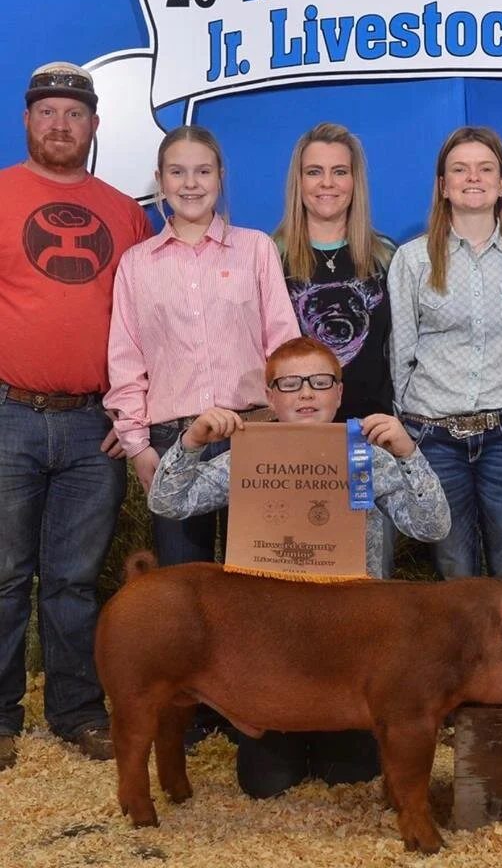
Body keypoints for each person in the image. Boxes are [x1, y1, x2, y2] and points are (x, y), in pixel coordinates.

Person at [148, 335, 450, 799]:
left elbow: (431, 527)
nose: (306, 393)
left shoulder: (367, 457)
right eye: (290, 384)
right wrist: (190, 442)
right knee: (265, 784)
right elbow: (168, 502)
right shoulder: (246, 456)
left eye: (319, 382)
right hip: (274, 648)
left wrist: (410, 454)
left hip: (352, 645)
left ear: (339, 392)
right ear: (270, 398)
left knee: (349, 777)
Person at [0, 61, 150, 770]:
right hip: (10, 415)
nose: (60, 125)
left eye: (74, 113)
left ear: (94, 126)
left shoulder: (125, 212)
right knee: (4, 576)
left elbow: (145, 322)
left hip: (96, 425)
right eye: (47, 112)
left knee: (73, 580)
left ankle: (78, 712)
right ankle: (1, 718)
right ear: (26, 120)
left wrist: (133, 412)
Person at [105, 123, 299, 568]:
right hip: (174, 444)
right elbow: (126, 360)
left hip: (253, 435)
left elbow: (284, 346)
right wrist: (138, 447)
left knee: (256, 580)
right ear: (160, 180)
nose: (190, 184)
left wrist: (291, 429)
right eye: (177, 172)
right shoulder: (136, 265)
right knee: (183, 583)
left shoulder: (256, 249)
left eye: (203, 171)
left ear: (220, 177)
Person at [388, 126, 502, 586]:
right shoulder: (413, 260)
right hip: (434, 438)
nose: (473, 177)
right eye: (460, 169)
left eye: (485, 168)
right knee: (455, 579)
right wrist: (410, 430)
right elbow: (400, 354)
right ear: (442, 186)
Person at [274, 122, 396, 423]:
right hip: (294, 433)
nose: (327, 183)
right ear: (299, 181)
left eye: (339, 172)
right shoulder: (270, 256)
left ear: (355, 181)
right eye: (314, 172)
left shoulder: (385, 256)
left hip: (372, 431)